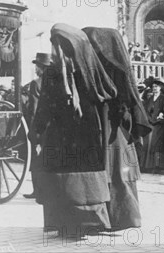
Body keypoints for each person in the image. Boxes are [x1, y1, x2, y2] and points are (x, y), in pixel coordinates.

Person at [33, 23, 117, 236]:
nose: (56, 51)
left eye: (59, 46)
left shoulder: (80, 69)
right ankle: (74, 224)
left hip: (80, 133)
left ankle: (84, 224)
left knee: (79, 178)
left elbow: (108, 94)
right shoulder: (85, 68)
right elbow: (45, 105)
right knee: (68, 178)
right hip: (73, 133)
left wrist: (36, 130)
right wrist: (37, 129)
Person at [83, 26, 153, 230]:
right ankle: (111, 219)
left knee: (117, 172)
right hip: (108, 127)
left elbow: (124, 102)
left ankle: (120, 219)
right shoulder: (105, 67)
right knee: (113, 172)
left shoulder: (115, 70)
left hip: (114, 129)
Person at [22, 52, 52, 199]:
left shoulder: (36, 83)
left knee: (36, 159)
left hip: (40, 126)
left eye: (37, 66)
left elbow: (33, 109)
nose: (36, 69)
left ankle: (38, 190)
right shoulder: (56, 82)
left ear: (42, 67)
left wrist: (33, 131)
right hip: (52, 127)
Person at [143, 77, 164, 172]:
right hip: (150, 124)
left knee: (157, 145)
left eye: (156, 86)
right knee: (148, 144)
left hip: (159, 125)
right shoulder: (149, 99)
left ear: (160, 87)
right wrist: (149, 119)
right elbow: (146, 111)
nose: (154, 88)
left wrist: (160, 117)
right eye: (153, 86)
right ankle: (147, 166)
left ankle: (157, 166)